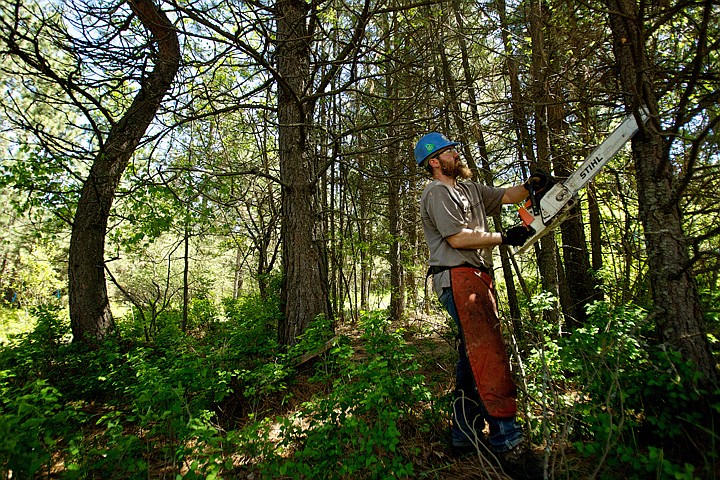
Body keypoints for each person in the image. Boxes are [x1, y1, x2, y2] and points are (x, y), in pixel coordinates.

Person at [415, 132, 545, 480]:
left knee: (471, 356)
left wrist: (530, 186)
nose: (456, 154)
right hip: (457, 277)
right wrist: (506, 237)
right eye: (448, 152)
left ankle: (463, 434)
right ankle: (508, 442)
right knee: (488, 352)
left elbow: (505, 196)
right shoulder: (437, 192)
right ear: (433, 162)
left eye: (454, 150)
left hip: (476, 275)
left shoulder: (469, 189)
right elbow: (457, 238)